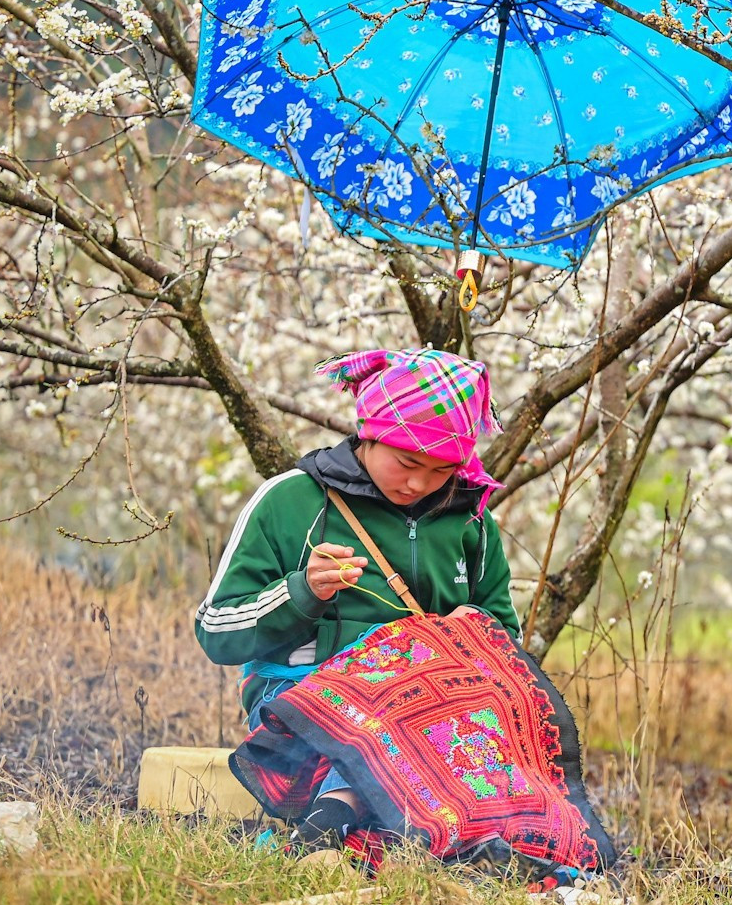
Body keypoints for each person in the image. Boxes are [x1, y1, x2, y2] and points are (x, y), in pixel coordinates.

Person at [194, 347, 520, 851]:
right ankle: (358, 818)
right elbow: (217, 630)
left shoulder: (469, 519)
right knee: (393, 728)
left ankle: (333, 820)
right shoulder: (290, 501)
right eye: (407, 462)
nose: (419, 483)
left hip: (430, 714)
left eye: (441, 472)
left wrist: (468, 630)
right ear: (370, 433)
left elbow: (505, 639)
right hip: (306, 704)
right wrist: (304, 592)